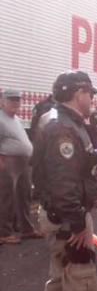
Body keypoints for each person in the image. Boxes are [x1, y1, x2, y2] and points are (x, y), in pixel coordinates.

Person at [30, 70, 97, 291]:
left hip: (59, 215)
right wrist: (76, 223)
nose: (93, 99)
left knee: (59, 277)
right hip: (68, 218)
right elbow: (64, 183)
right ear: (78, 94)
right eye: (90, 94)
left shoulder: (59, 120)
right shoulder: (63, 128)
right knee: (81, 283)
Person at [0, 89, 43, 244]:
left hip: (22, 163)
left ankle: (26, 229)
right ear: (2, 101)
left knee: (24, 196)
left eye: (17, 100)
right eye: (11, 99)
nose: (15, 102)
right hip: (7, 162)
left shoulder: (15, 119)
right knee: (6, 199)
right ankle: (4, 233)